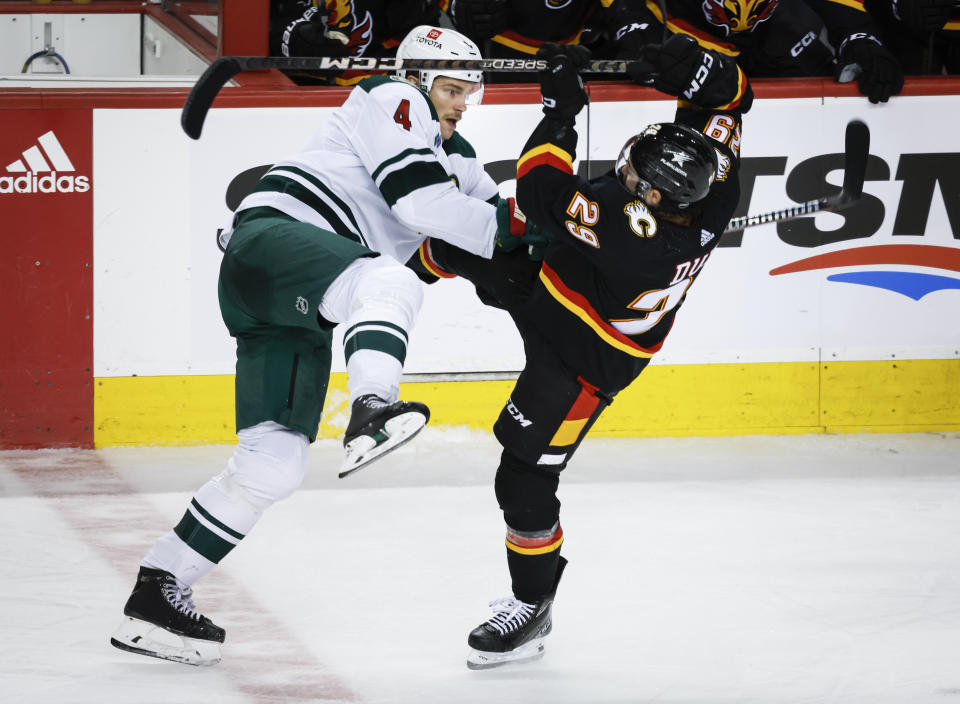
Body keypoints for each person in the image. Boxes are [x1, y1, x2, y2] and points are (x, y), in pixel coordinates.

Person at [109, 24, 543, 667]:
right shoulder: (392, 98)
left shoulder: (457, 155)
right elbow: (424, 205)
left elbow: (494, 231)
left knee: (271, 464)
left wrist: (564, 242)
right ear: (419, 79)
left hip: (294, 296)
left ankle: (158, 588)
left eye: (467, 91)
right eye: (449, 88)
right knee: (386, 281)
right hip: (279, 240)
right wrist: (514, 235)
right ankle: (372, 404)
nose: (458, 103)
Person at [414, 39, 752, 667]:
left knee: (523, 476)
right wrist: (692, 64)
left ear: (651, 199)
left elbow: (541, 186)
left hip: (581, 365)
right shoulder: (716, 183)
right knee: (472, 243)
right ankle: (375, 271)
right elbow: (732, 100)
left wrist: (561, 111)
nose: (623, 174)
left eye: (631, 177)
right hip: (565, 286)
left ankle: (532, 604)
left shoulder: (631, 232)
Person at [607, 0, 904, 103]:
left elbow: (848, 15)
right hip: (682, 32)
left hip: (780, 32)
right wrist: (635, 40)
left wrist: (861, 41)